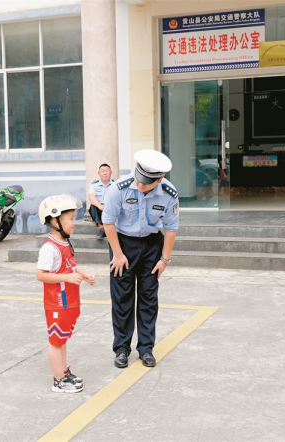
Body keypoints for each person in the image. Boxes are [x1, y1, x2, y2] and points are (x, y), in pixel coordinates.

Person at [102, 150, 179, 369]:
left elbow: (171, 228)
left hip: (151, 245)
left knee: (148, 298)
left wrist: (164, 259)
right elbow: (108, 222)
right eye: (138, 178)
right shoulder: (120, 188)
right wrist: (117, 254)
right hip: (122, 244)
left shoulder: (169, 193)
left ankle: (146, 348)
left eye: (146, 182)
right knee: (122, 298)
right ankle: (122, 348)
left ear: (160, 179)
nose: (140, 184)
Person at [36, 194, 96, 393]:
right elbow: (41, 275)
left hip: (69, 302)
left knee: (62, 340)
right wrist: (68, 278)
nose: (74, 223)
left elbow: (69, 268)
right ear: (55, 221)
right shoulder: (49, 248)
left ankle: (63, 372)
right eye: (70, 219)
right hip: (57, 303)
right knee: (55, 342)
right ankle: (59, 380)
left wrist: (82, 274)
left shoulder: (65, 243)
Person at [88, 164, 115, 239]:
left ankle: (105, 230)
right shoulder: (94, 184)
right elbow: (91, 197)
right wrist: (100, 206)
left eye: (107, 171)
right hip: (100, 209)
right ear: (98, 173)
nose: (105, 173)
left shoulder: (115, 184)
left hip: (111, 209)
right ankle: (102, 228)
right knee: (93, 206)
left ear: (111, 172)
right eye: (102, 171)